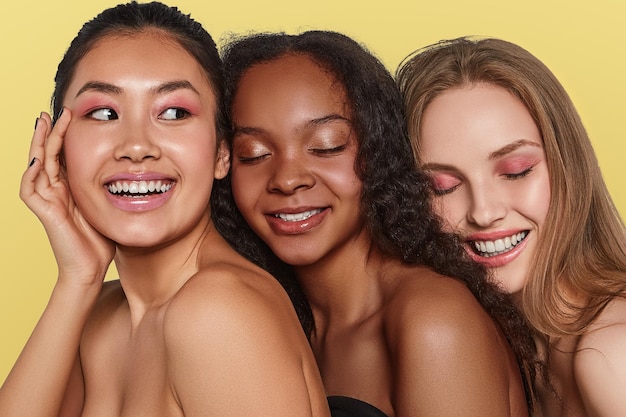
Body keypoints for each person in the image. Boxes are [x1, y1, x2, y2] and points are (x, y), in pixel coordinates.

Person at [0, 3, 331, 416]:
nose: (137, 146)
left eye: (174, 113)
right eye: (104, 113)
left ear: (221, 152)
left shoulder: (218, 313)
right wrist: (77, 281)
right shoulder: (99, 313)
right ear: (59, 150)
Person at [211, 30, 537, 417]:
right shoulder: (274, 320)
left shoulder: (433, 322)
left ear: (378, 152)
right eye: (254, 154)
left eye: (327, 146)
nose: (286, 178)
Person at [396, 36, 626, 417]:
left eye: (516, 172)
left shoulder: (612, 354)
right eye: (444, 186)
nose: (483, 212)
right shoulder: (510, 353)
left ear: (569, 167)